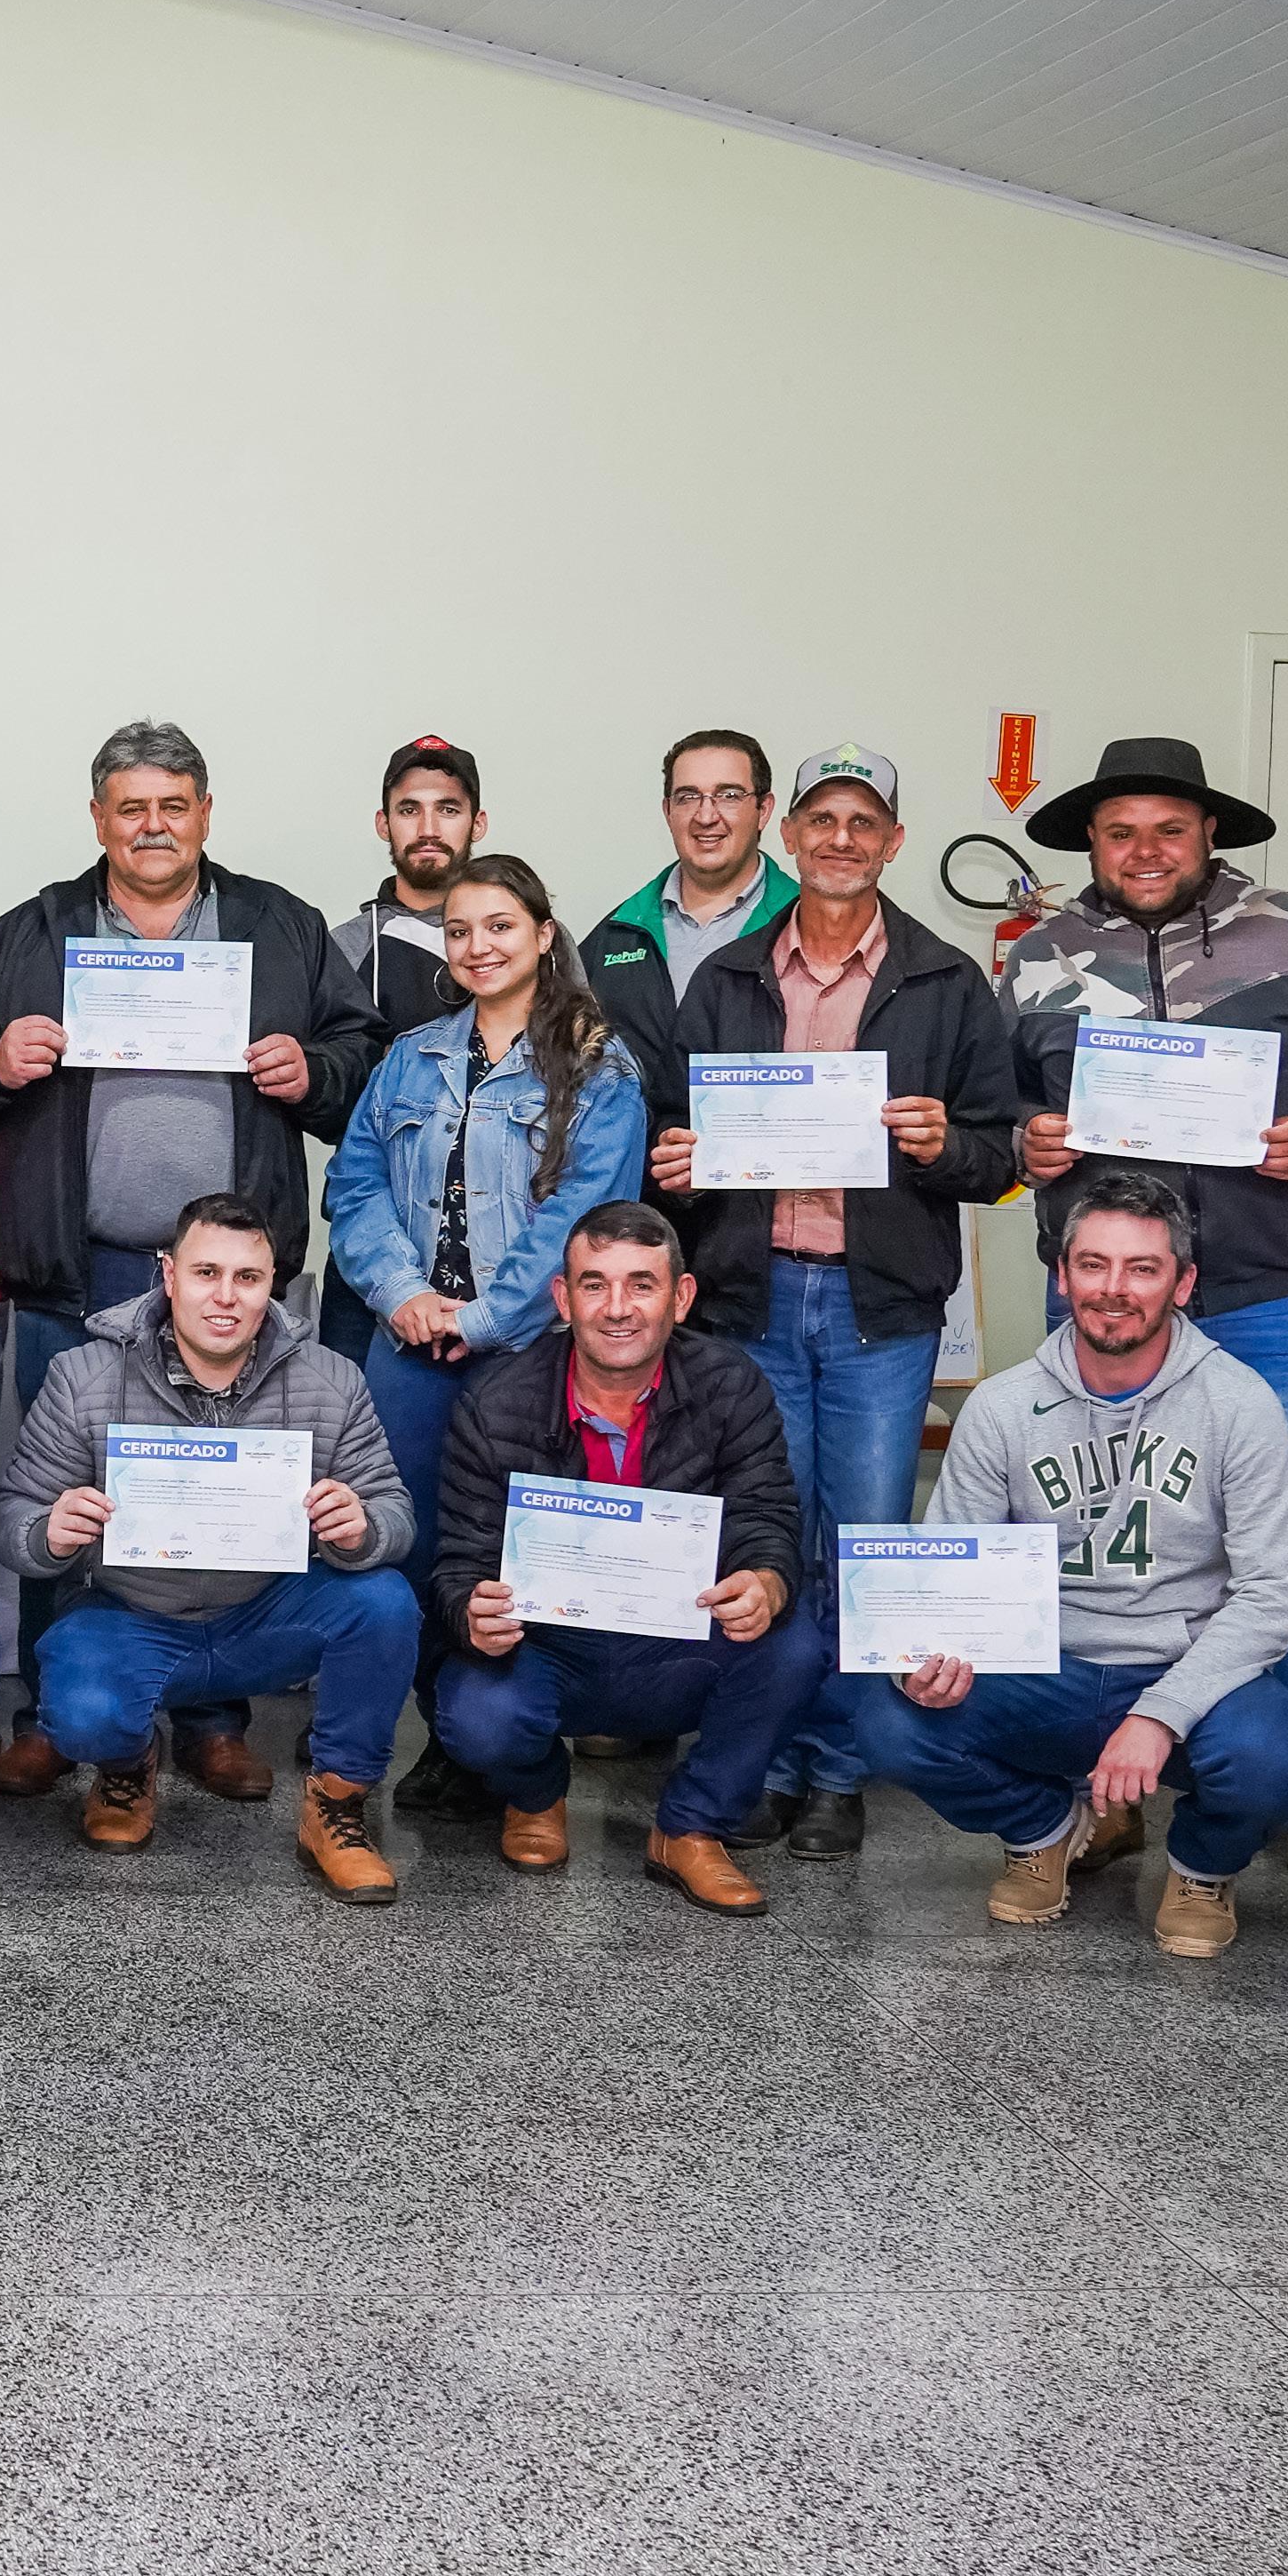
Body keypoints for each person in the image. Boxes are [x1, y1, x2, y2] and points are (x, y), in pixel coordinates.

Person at [0, 722, 386, 1801]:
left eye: (174, 806)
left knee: (224, 1494)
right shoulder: (35, 931)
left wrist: (311, 1070)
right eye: (131, 808)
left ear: (206, 814)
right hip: (73, 1271)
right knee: (66, 1495)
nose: (153, 826)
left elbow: (363, 1057)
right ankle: (55, 1713)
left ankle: (213, 1719)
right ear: (99, 819)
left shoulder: (279, 925)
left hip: (230, 1284)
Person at [1003, 735, 1288, 1765]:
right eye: (1121, 833)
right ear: (1092, 842)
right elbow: (989, 1100)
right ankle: (1109, 1785)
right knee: (1101, 1554)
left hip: (1275, 1297)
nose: (1145, 850)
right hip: (1105, 1307)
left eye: (1168, 830)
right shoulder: (1038, 955)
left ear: (1209, 831)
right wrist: (1021, 1139)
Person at [639, 743, 1020, 1857]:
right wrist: (679, 1161)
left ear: (892, 842)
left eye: (863, 823)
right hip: (748, 1301)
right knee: (763, 1539)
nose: (841, 840)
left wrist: (949, 1145)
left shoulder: (947, 982)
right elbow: (670, 1124)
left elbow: (1001, 1154)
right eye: (822, 820)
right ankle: (762, 1757)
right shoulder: (728, 978)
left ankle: (839, 1768)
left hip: (878, 1311)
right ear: (789, 835)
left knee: (863, 1541)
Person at [853, 1173, 1288, 1955]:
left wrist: (1158, 1715)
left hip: (1182, 1663)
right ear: (1062, 1275)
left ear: (1183, 1283)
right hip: (1046, 1665)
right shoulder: (1002, 1407)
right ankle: (1043, 1828)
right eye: (1094, 1264)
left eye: (1143, 1267)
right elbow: (949, 1571)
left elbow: (1274, 1591)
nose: (1115, 1289)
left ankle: (1202, 1868)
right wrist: (922, 1661)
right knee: (887, 1722)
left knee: (1275, 1754)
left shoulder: (1240, 1404)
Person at [0, 1194, 423, 1900]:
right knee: (81, 1713)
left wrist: (362, 1527)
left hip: (266, 1615)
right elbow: (11, 1517)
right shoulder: (82, 1375)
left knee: (384, 1603)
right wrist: (48, 1532)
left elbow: (395, 1513)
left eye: (247, 1277)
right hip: (131, 1612)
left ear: (272, 1282)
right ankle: (128, 1763)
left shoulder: (332, 1380)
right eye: (206, 1272)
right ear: (168, 1274)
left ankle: (336, 1805)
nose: (226, 1296)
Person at [418, 1205, 820, 1915]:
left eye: (641, 1284)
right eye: (594, 1284)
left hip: (679, 1641)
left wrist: (764, 1579)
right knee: (476, 1711)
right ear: (562, 1298)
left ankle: (690, 1826)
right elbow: (459, 1560)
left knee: (796, 1644)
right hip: (547, 1647)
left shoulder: (731, 1384)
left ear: (681, 1297)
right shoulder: (495, 1402)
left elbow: (765, 1515)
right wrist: (470, 1610)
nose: (617, 1308)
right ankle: (535, 1796)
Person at [320, 853, 643, 1537]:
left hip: (536, 1351)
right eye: (459, 930)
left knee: (519, 1549)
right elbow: (354, 1182)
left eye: (500, 926)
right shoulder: (409, 1056)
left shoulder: (599, 1067)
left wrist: (486, 1318)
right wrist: (402, 1292)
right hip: (411, 1346)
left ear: (544, 935)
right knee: (397, 1537)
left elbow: (586, 1217)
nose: (478, 946)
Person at [322, 737, 488, 1243]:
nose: (429, 828)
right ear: (383, 823)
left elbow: (580, 1079)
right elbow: (325, 1101)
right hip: (379, 1220)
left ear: (478, 824)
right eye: (409, 810)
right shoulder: (343, 948)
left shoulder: (532, 940)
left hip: (502, 1221)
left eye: (448, 809)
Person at [582, 730, 796, 1109]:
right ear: (668, 812)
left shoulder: (803, 923)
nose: (706, 816)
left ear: (763, 810)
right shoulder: (618, 933)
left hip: (760, 1143)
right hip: (634, 1146)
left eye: (729, 795)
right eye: (688, 797)